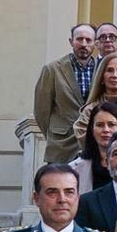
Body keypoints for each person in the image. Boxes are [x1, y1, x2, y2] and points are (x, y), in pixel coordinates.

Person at [34, 24, 99, 162]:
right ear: (71, 41)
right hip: (61, 145)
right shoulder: (52, 69)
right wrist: (55, 133)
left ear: (95, 43)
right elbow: (41, 111)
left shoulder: (101, 69)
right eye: (79, 39)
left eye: (88, 40)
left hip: (93, 142)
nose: (83, 44)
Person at [75, 41, 117, 147]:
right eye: (110, 70)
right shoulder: (90, 110)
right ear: (102, 77)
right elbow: (82, 135)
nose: (114, 75)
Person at [71, 101, 117, 193]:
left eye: (111, 124)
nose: (106, 130)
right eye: (100, 125)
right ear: (92, 130)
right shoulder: (75, 169)